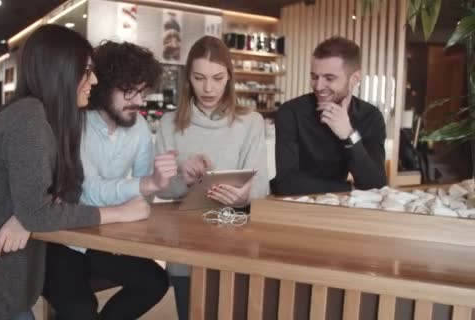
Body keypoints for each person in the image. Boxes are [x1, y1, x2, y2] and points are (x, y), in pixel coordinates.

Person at [0, 25, 150, 320]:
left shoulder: (48, 120)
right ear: (61, 71)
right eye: (87, 70)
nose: (94, 79)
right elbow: (39, 212)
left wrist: (26, 214)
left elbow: (67, 189)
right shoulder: (29, 120)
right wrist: (118, 212)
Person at [43, 40, 173, 320]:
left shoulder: (138, 128)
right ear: (104, 87)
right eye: (130, 91)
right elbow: (87, 192)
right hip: (62, 237)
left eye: (142, 91)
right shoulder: (77, 123)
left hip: (105, 236)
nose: (139, 101)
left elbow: (142, 199)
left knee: (156, 282)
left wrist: (146, 188)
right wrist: (147, 185)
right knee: (80, 308)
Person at [155, 35, 269, 320]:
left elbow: (262, 188)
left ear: (229, 77)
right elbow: (163, 191)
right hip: (185, 248)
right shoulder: (169, 123)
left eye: (217, 78)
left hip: (236, 244)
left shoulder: (251, 122)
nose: (208, 88)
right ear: (187, 78)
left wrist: (244, 196)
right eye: (199, 78)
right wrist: (186, 178)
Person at [272, 36, 387, 196]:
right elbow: (286, 183)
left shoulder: (370, 116)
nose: (318, 86)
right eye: (314, 77)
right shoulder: (291, 112)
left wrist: (349, 135)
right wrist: (348, 188)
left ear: (354, 79)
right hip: (293, 207)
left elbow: (376, 185)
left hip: (337, 208)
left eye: (329, 78)